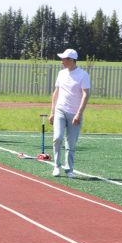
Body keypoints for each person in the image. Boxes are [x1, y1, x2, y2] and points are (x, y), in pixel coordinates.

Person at [49, 48, 91, 178]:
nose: (61, 61)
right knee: (58, 138)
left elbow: (86, 94)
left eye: (64, 59)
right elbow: (56, 93)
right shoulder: (61, 74)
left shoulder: (83, 75)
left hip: (74, 113)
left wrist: (79, 113)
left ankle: (69, 169)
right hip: (60, 110)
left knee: (71, 143)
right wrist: (52, 112)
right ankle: (56, 166)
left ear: (71, 60)